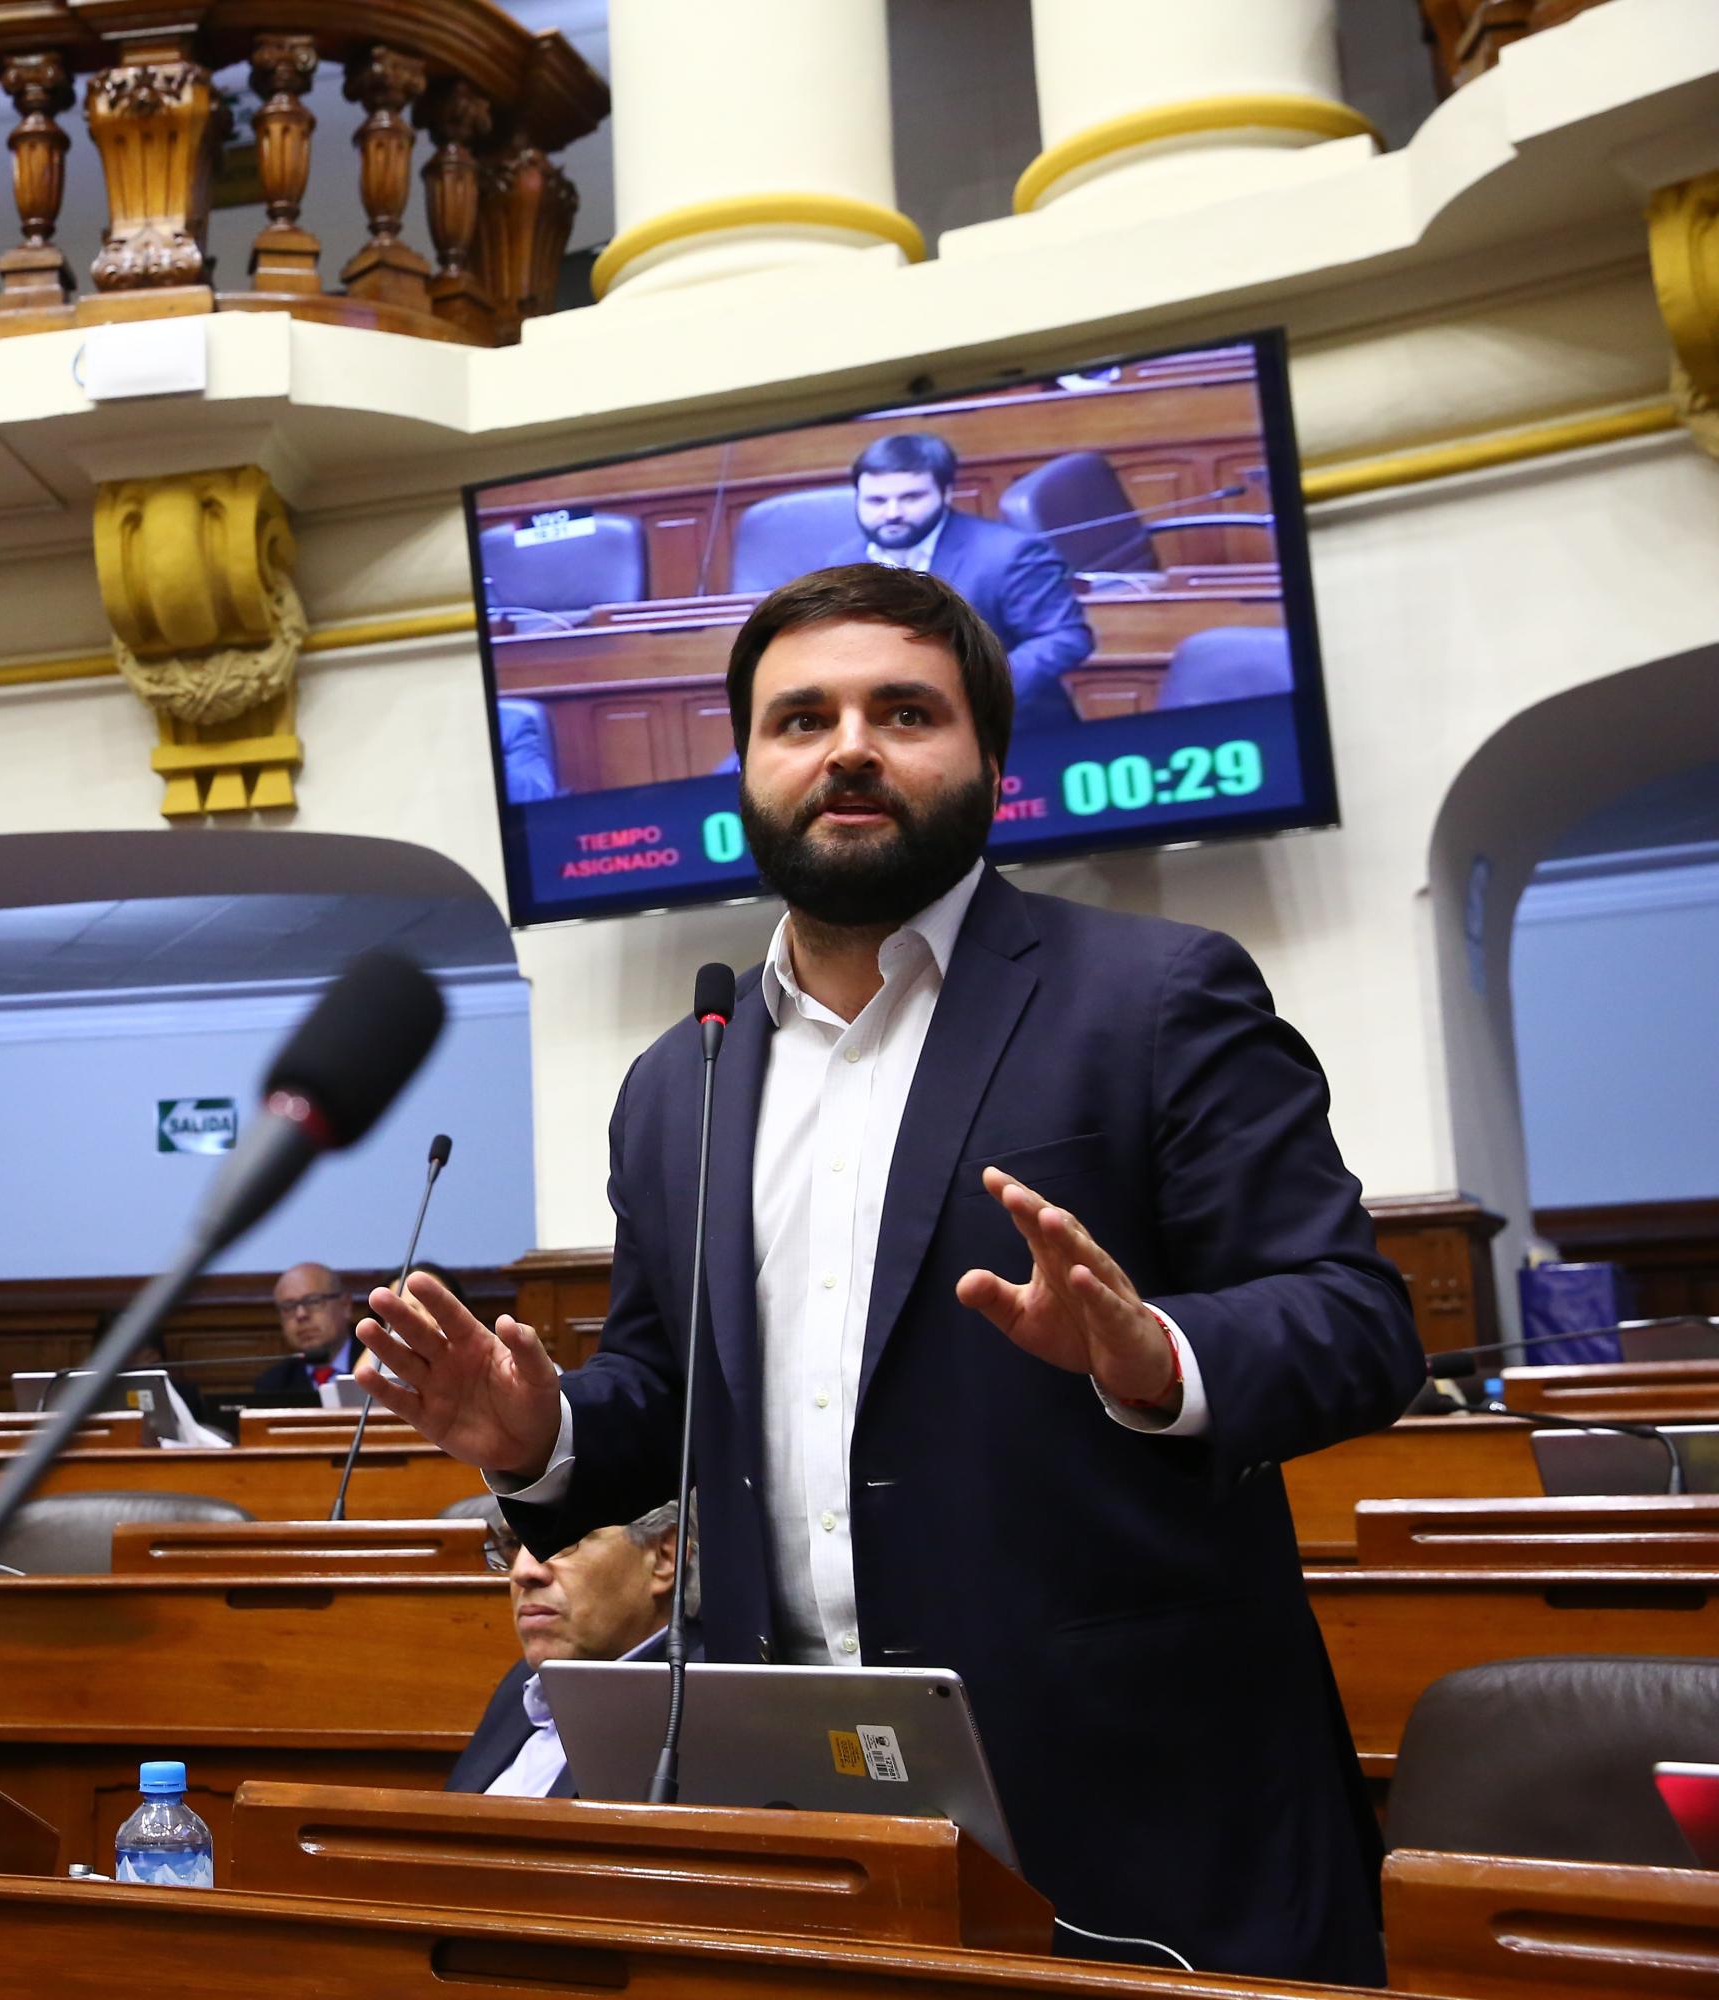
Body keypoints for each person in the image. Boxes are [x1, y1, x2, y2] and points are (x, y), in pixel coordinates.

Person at [355, 564, 1421, 1984]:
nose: (847, 747)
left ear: (988, 759)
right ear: (746, 769)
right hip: (797, 1809)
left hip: (1133, 1792)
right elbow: (669, 1398)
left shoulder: (1156, 997)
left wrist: (1150, 1352)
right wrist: (541, 1436)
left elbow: (1358, 1322)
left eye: (902, 711)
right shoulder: (684, 1078)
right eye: (800, 719)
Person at [773, 433, 1094, 733]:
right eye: (876, 501)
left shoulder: (1007, 554)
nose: (892, 513)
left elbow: (1065, 637)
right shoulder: (837, 565)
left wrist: (972, 687)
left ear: (946, 492)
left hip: (1007, 735)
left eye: (910, 497)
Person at [450, 1497, 684, 1799]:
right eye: (513, 1543)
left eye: (562, 1539)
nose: (522, 1571)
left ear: (664, 1557)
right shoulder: (524, 1686)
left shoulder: (703, 1710)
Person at [250, 1262, 361, 1407]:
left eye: (313, 1301)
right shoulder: (273, 1385)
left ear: (346, 1305)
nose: (300, 1315)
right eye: (289, 1307)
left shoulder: (379, 1364)